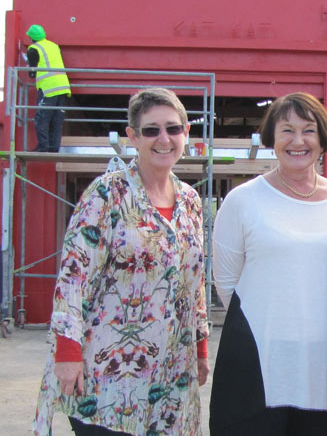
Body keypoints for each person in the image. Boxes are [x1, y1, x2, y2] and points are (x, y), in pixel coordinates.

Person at [34, 87, 210, 435]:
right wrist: (67, 354)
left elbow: (195, 281)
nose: (164, 138)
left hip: (172, 371)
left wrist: (201, 347)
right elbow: (73, 276)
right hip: (108, 371)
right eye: (151, 130)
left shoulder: (190, 200)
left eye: (173, 128)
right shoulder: (106, 194)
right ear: (133, 137)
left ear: (186, 133)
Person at [210, 92, 327, 436]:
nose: (298, 141)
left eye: (308, 130)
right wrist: (276, 316)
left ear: (322, 139)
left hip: (323, 353)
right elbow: (226, 280)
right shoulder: (243, 200)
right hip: (258, 354)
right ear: (272, 139)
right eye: (287, 131)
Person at [26, 24, 71, 152]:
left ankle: (43, 146)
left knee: (42, 118)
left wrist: (29, 66)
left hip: (48, 88)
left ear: (32, 37)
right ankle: (54, 147)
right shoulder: (53, 45)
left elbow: (32, 72)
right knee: (57, 119)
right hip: (63, 86)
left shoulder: (33, 49)